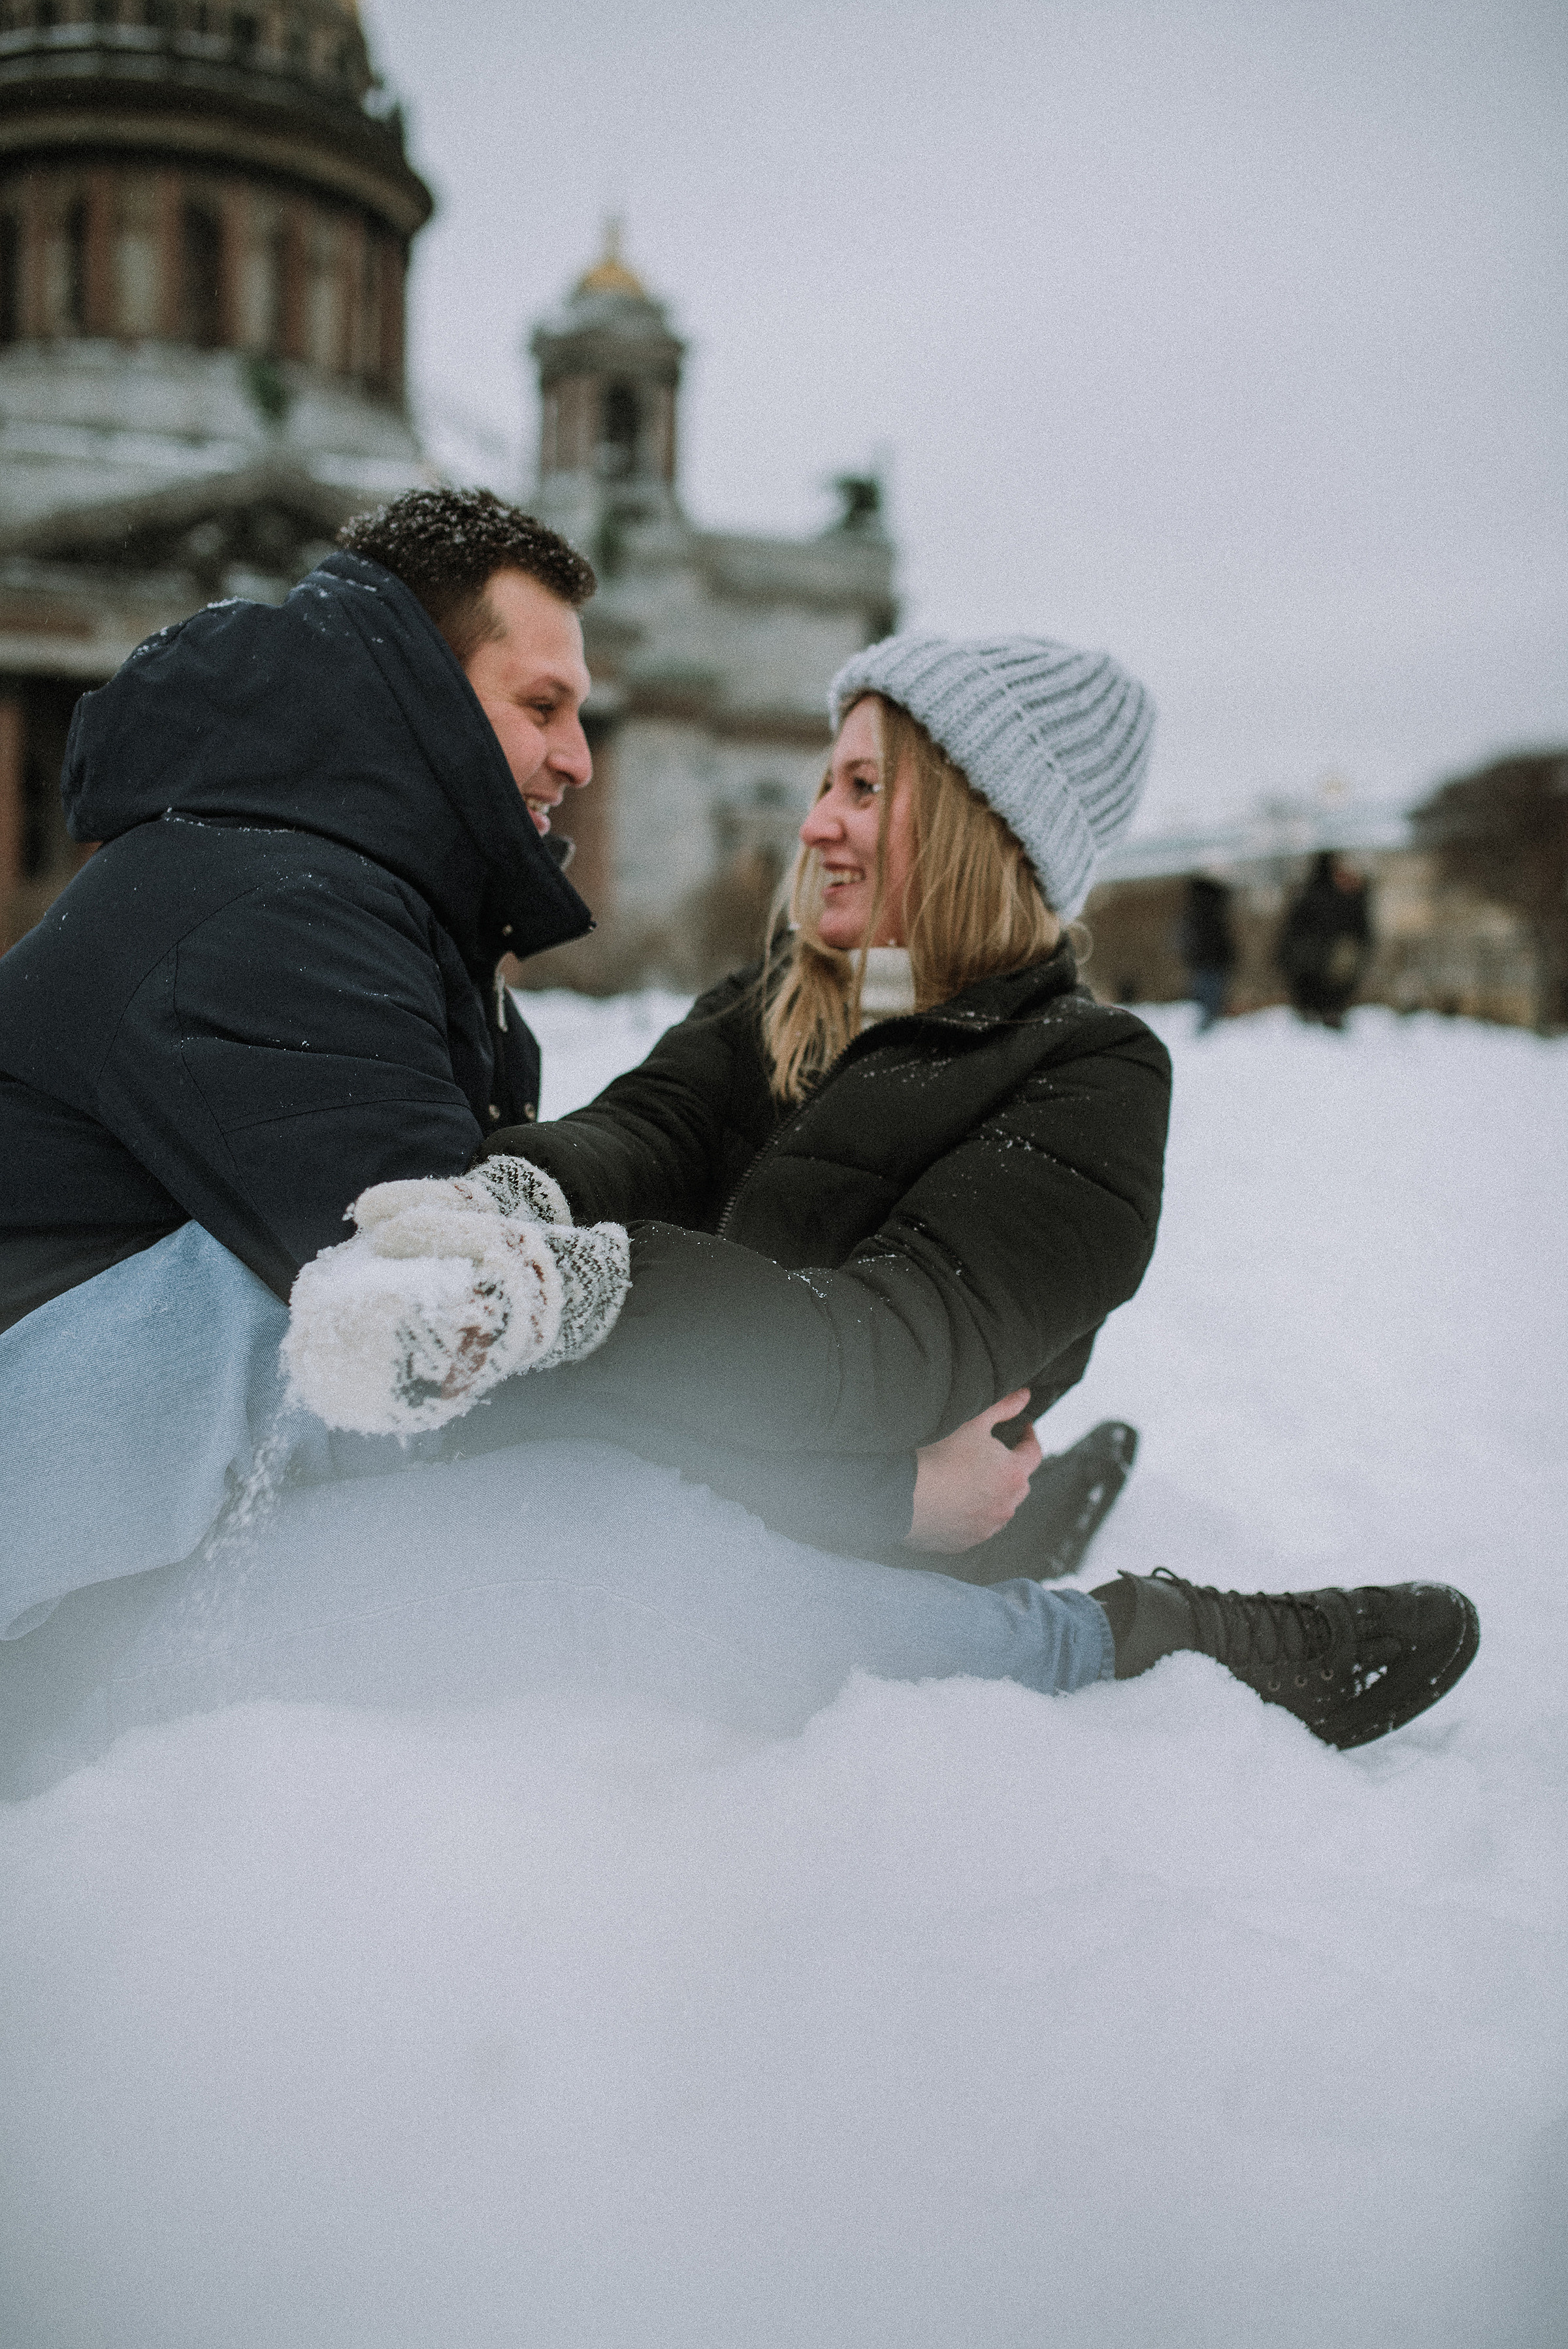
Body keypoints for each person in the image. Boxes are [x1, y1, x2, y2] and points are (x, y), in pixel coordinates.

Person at [282, 631, 1480, 1752]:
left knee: (658, 1548)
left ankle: (1167, 1643)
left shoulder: (1091, 1075)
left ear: (976, 820)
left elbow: (881, 1352)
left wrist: (583, 1293)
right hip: (771, 1467)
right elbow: (643, 1129)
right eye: (827, 783)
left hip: (779, 1495)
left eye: (863, 789)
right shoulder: (786, 997)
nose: (815, 826)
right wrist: (518, 1204)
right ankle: (981, 1531)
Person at [1277, 850, 1372, 1028]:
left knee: (1317, 986)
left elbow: (1292, 928)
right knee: (1332, 986)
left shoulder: (1306, 895)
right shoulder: (1342, 898)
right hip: (1325, 955)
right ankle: (1328, 1014)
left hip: (1313, 956)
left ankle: (1317, 1015)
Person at [1179, 870, 1237, 1032]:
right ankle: (1203, 883)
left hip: (1208, 959)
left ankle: (1202, 883)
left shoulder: (1209, 1003)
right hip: (1210, 959)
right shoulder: (1210, 1003)